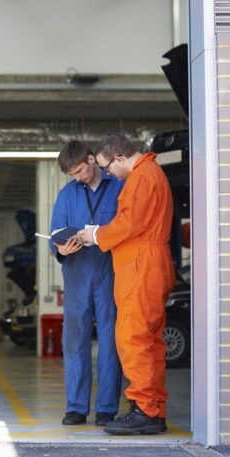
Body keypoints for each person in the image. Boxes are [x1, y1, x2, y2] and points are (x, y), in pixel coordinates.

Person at [77, 133, 174, 435]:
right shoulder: (150, 173)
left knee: (133, 338)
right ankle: (152, 409)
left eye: (107, 168)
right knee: (150, 341)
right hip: (149, 263)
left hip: (141, 267)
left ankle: (144, 409)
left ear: (119, 158)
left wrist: (95, 235)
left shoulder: (142, 177)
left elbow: (130, 223)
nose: (108, 174)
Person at [49, 140, 124, 427]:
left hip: (110, 271)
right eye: (72, 174)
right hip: (78, 272)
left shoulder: (118, 186)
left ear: (92, 160)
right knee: (75, 340)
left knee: (110, 340)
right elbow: (55, 232)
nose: (77, 177)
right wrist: (61, 249)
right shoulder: (67, 194)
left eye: (79, 170)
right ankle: (76, 407)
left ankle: (106, 408)